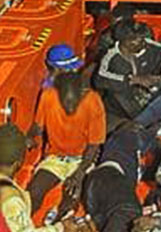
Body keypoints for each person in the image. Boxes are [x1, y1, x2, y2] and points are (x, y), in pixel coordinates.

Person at [28, 72, 106, 219]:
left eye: (74, 102)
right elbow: (38, 126)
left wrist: (79, 173)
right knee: (34, 192)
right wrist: (30, 137)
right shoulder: (48, 96)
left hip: (82, 159)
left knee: (71, 200)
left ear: (82, 93)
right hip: (55, 157)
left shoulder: (93, 101)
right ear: (58, 93)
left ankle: (60, 225)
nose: (70, 108)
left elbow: (94, 145)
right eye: (66, 102)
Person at [95, 22, 161, 129]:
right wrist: (133, 80)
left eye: (142, 39)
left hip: (148, 100)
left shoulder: (149, 45)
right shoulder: (110, 56)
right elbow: (99, 78)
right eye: (136, 40)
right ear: (123, 41)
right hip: (120, 109)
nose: (142, 43)